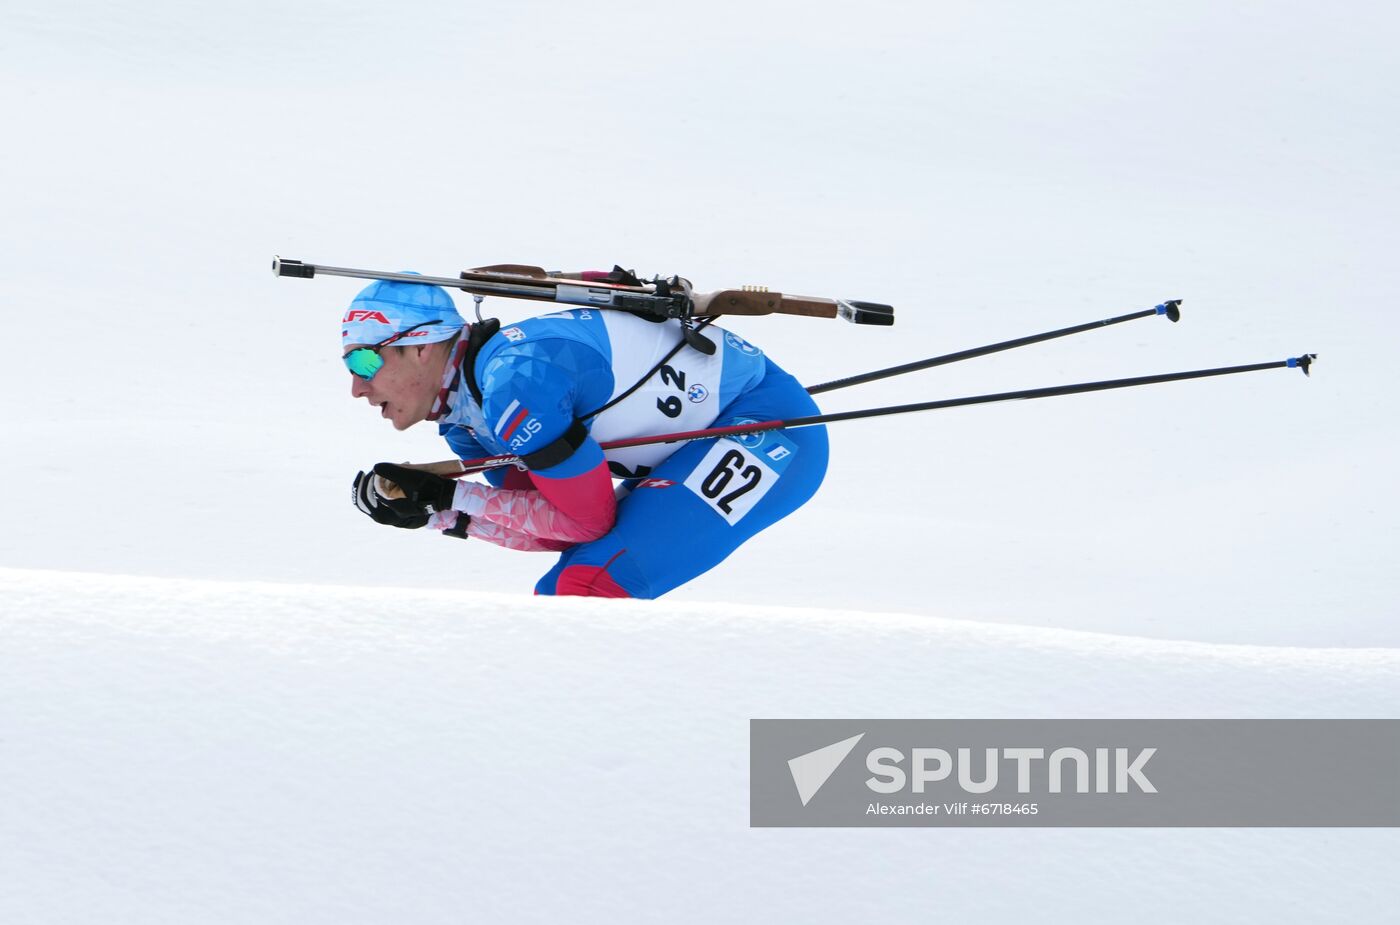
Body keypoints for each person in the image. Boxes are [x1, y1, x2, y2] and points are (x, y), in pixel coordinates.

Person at [344, 275, 828, 599]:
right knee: (569, 589)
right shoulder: (466, 420)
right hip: (690, 447)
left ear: (423, 347)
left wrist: (455, 494)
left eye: (364, 361)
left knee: (585, 587)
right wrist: (441, 513)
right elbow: (551, 530)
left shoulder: (518, 382)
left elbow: (586, 525)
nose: (356, 387)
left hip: (767, 429)